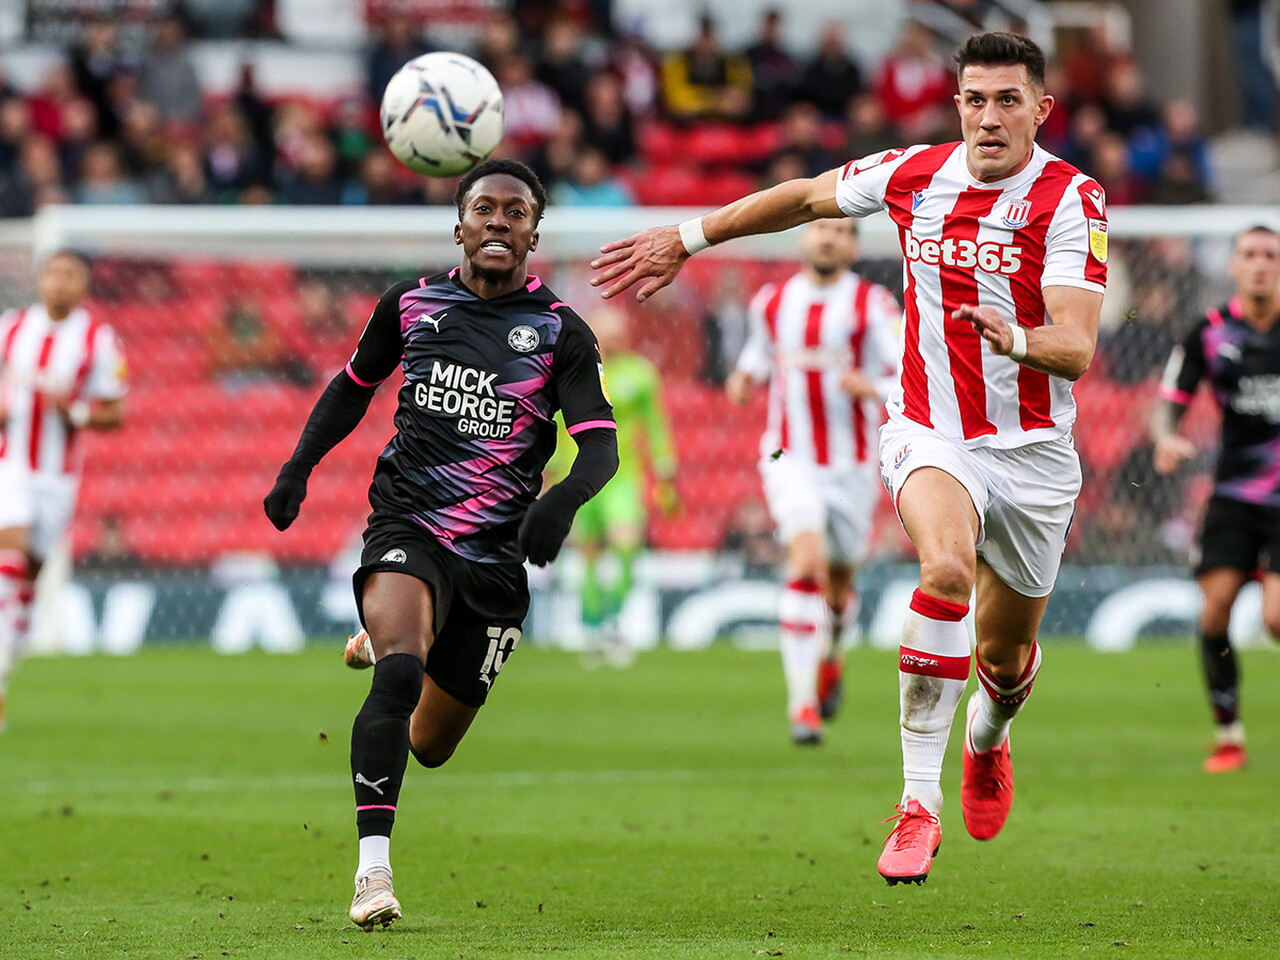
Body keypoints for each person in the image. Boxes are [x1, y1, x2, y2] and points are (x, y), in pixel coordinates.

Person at [590, 31, 1107, 886]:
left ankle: (990, 736)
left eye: (1007, 100)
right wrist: (688, 236)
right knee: (943, 570)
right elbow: (803, 199)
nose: (988, 117)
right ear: (957, 108)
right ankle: (916, 805)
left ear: (1040, 110)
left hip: (1035, 455)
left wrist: (1012, 337)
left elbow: (1077, 343)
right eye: (974, 100)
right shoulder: (914, 174)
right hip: (931, 430)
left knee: (1006, 662)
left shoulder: (1071, 199)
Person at [263, 158, 617, 929]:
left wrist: (562, 499)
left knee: (429, 743)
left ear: (533, 232)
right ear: (459, 225)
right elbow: (352, 388)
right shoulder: (411, 304)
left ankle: (392, 636)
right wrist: (298, 469)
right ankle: (372, 873)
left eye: (515, 212)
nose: (499, 221)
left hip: (494, 564)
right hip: (407, 526)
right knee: (397, 677)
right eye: (484, 208)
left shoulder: (561, 332)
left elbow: (600, 449)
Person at [726, 218, 898, 745]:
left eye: (841, 230)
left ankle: (832, 655)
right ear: (803, 238)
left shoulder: (876, 306)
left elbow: (911, 379)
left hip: (852, 465)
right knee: (805, 562)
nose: (827, 237)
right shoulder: (772, 302)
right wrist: (743, 378)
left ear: (853, 245)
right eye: (819, 228)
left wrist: (869, 386)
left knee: (841, 589)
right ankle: (802, 705)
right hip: (788, 455)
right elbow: (758, 357)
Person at [1151, 224, 1280, 774]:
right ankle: (1229, 736)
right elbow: (1169, 400)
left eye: (1270, 256)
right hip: (1232, 492)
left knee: (1276, 620)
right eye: (1249, 254)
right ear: (1232, 265)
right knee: (1214, 612)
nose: (1259, 264)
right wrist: (1165, 437)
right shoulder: (1206, 331)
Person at [0, 250, 128, 731]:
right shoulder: (10, 328)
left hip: (57, 478)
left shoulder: (98, 340)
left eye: (70, 275)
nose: (59, 283)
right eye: (52, 273)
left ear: (83, 286)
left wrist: (72, 411)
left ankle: (4, 676)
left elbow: (116, 413)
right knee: (7, 565)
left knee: (25, 586)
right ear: (40, 281)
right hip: (8, 464)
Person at [549, 304, 676, 662]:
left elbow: (656, 425)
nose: (614, 340)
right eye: (607, 334)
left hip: (622, 476)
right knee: (586, 553)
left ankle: (612, 618)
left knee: (625, 545)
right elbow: (554, 422)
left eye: (620, 333)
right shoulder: (571, 368)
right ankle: (593, 628)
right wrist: (549, 470)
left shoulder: (641, 374)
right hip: (575, 473)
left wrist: (665, 468)